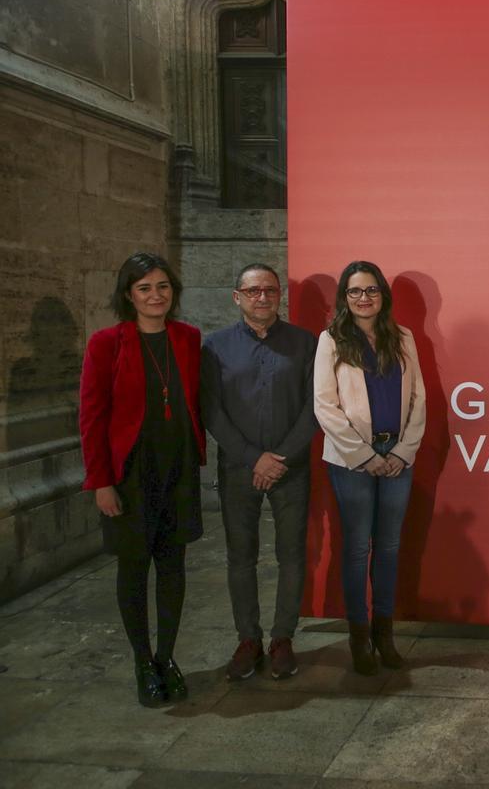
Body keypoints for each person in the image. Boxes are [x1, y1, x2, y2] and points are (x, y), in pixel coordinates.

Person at [79, 253, 205, 706]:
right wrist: (101, 481)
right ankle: (142, 661)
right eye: (145, 288)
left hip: (178, 471)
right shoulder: (106, 343)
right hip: (130, 476)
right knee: (133, 569)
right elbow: (92, 417)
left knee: (173, 567)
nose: (156, 295)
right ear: (129, 295)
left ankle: (167, 657)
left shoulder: (188, 338)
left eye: (163, 287)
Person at [201, 263, 317, 681]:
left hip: (291, 468)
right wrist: (255, 458)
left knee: (292, 554)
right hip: (238, 468)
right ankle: (247, 639)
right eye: (253, 291)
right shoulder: (214, 347)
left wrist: (280, 457)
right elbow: (211, 410)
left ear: (279, 295)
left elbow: (316, 406)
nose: (262, 297)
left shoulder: (305, 343)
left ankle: (282, 638)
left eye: (270, 289)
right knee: (241, 556)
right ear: (237, 297)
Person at [314, 261, 426, 675]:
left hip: (398, 457)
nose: (364, 298)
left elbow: (418, 398)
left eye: (372, 290)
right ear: (344, 298)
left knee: (390, 547)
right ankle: (359, 638)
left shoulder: (403, 337)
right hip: (351, 460)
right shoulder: (330, 340)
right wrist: (365, 456)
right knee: (358, 548)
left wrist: (402, 451)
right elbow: (324, 404)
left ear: (383, 295)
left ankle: (384, 634)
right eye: (355, 291)